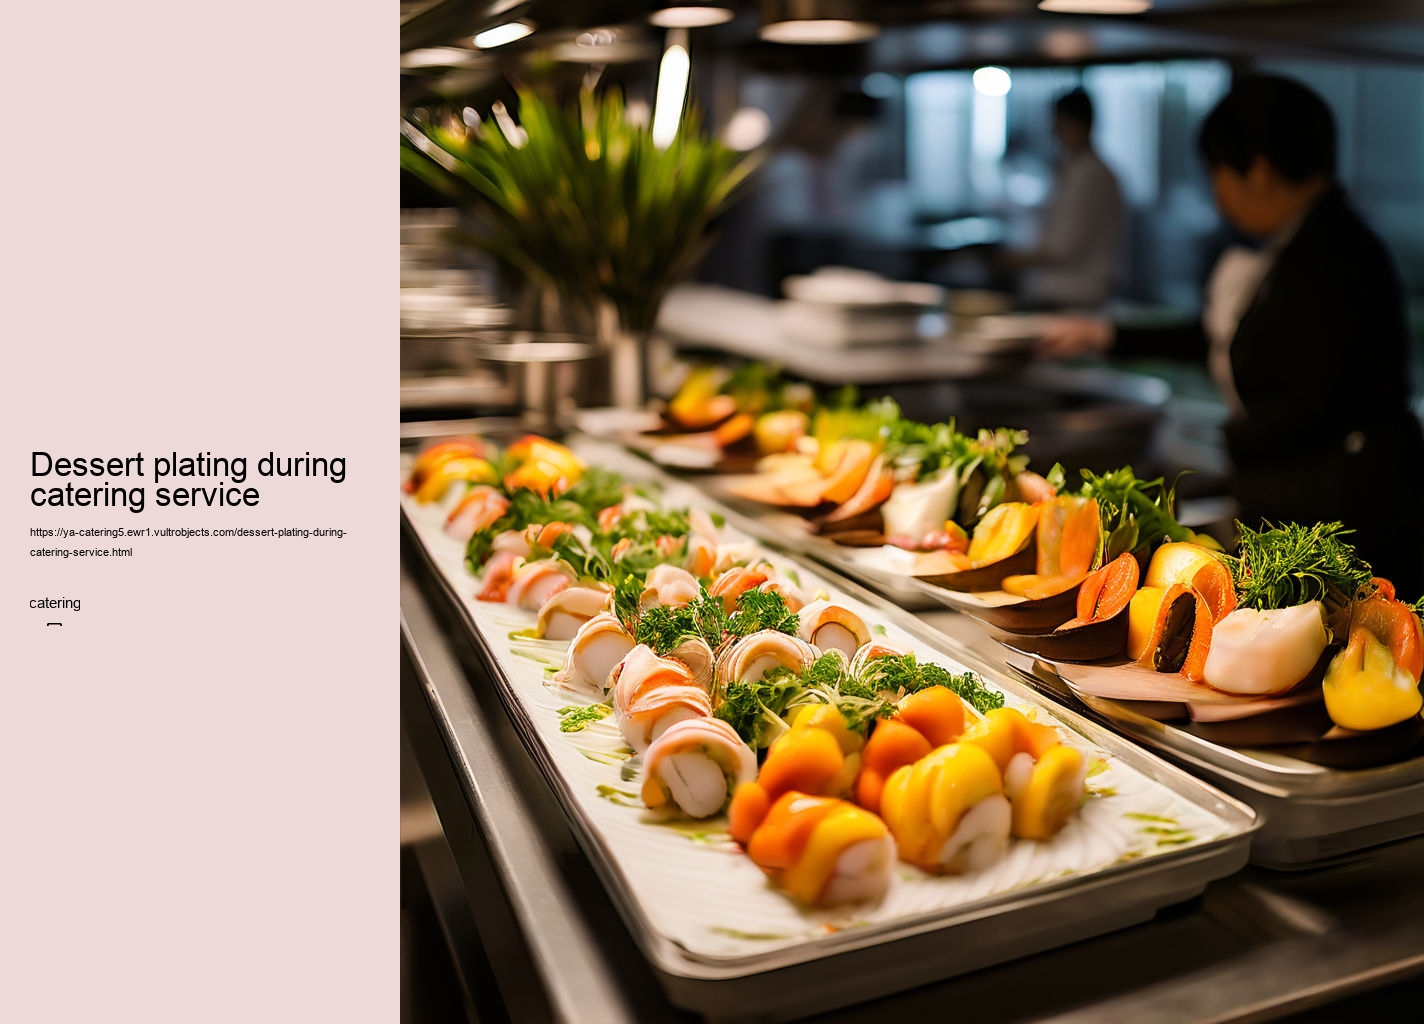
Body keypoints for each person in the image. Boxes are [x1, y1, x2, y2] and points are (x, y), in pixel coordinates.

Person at [1039, 74, 1424, 596]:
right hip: (1323, 492)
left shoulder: (1331, 257)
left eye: (1218, 174)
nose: (1217, 194)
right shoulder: (1300, 242)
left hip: (1351, 504)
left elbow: (1314, 401)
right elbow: (1221, 338)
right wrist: (1107, 335)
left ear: (1259, 171)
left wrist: (1228, 440)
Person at [1005, 88, 1125, 310]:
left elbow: (1061, 247)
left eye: (1059, 123)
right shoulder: (1081, 170)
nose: (1055, 132)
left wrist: (1012, 260)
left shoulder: (1088, 175)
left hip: (1074, 297)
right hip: (1073, 295)